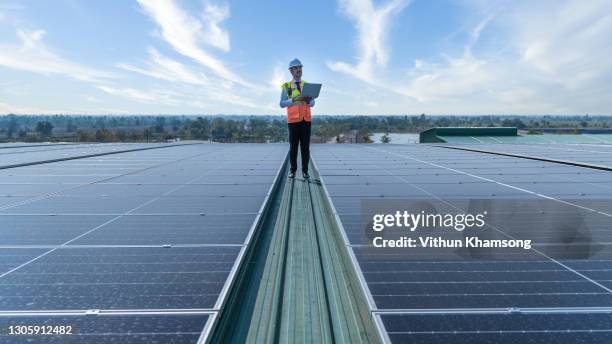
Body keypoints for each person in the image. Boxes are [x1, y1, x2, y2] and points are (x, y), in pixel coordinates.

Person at [280, 58, 315, 179]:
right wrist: (292, 100)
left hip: (306, 120)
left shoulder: (307, 85)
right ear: (291, 71)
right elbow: (281, 104)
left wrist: (309, 101)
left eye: (300, 68)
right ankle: (293, 171)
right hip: (293, 121)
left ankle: (305, 171)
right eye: (296, 68)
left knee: (305, 147)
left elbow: (313, 103)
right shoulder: (286, 87)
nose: (298, 70)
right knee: (293, 147)